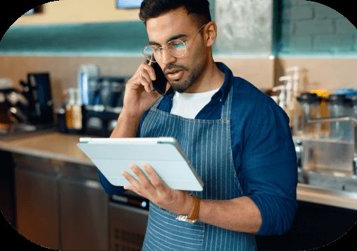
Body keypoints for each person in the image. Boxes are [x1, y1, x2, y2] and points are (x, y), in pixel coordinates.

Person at [99, 0, 298, 250]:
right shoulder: (153, 102)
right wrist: (130, 113)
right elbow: (111, 183)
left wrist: (190, 207)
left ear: (209, 34)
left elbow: (276, 212)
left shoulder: (256, 111)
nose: (166, 60)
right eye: (156, 48)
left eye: (177, 43)